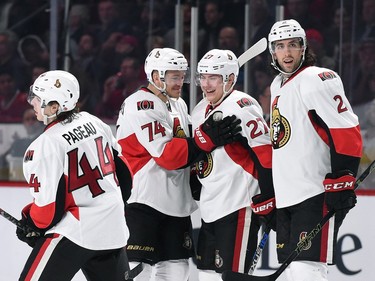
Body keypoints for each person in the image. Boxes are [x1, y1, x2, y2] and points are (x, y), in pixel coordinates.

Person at [116, 47, 241, 281]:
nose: (180, 82)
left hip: (175, 202)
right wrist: (207, 139)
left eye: (182, 76)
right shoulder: (142, 104)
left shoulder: (179, 104)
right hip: (144, 202)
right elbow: (168, 156)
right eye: (175, 76)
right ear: (156, 77)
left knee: (176, 270)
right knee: (137, 270)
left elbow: (189, 151)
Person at [266, 19, 362, 280]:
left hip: (314, 194)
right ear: (272, 51)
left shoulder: (316, 78)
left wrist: (343, 178)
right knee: (290, 273)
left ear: (304, 48)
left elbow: (346, 131)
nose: (287, 53)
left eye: (293, 45)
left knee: (306, 270)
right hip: (287, 196)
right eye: (280, 46)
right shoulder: (278, 85)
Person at [16, 70, 133, 280]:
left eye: (38, 99)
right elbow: (125, 175)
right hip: (113, 228)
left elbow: (47, 211)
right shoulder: (94, 121)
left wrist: (31, 223)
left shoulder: (46, 144)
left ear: (54, 107)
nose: (32, 103)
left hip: (76, 231)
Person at [191, 49, 274, 280]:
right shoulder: (200, 110)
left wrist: (268, 196)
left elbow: (265, 153)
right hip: (210, 208)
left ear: (229, 79)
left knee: (231, 276)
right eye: (203, 77)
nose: (206, 84)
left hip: (239, 206)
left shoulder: (243, 106)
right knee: (206, 276)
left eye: (213, 78)